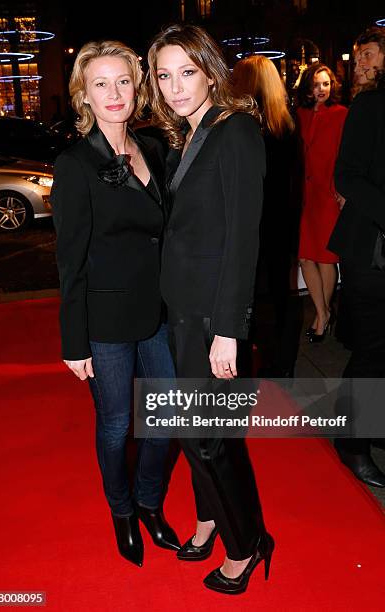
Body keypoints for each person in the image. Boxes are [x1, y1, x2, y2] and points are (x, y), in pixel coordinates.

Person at [147, 24, 273, 595]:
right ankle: (209, 517)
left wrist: (229, 331)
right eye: (164, 75)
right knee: (190, 428)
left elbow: (242, 239)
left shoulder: (236, 131)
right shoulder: (188, 134)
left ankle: (248, 544)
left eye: (186, 73)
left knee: (209, 436)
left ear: (210, 71)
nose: (175, 87)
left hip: (210, 317)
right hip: (180, 310)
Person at [50, 40, 180, 568]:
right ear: (84, 93)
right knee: (115, 424)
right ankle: (122, 510)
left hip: (158, 310)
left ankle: (149, 501)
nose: (114, 93)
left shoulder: (153, 147)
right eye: (100, 83)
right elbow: (70, 261)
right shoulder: (75, 163)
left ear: (138, 84)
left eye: (123, 80)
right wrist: (72, 340)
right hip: (104, 318)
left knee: (169, 417)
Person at [328, 26, 385, 487]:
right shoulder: (369, 105)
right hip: (370, 247)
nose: (363, 62)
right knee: (372, 348)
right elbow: (346, 176)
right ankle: (350, 441)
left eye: (371, 54)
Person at [233, 55, 299, 377]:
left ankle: (253, 360)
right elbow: (294, 177)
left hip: (252, 220)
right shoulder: (286, 122)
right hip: (280, 218)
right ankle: (282, 363)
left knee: (251, 294)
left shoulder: (243, 125)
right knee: (279, 293)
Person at [296, 63, 347, 342]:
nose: (321, 90)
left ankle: (321, 316)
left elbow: (346, 155)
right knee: (305, 257)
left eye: (326, 84)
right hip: (305, 196)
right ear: (308, 87)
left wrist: (341, 190)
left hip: (328, 194)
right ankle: (324, 311)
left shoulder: (341, 114)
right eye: (316, 84)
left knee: (326, 258)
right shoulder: (300, 114)